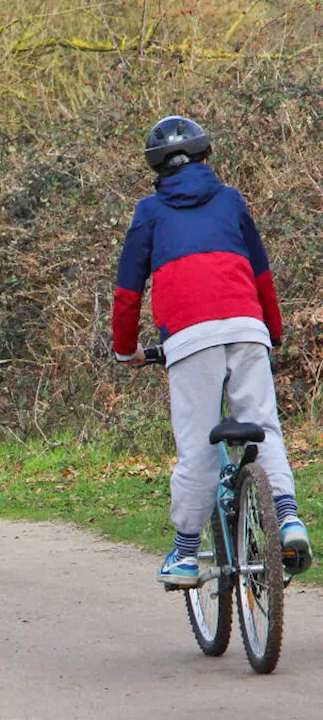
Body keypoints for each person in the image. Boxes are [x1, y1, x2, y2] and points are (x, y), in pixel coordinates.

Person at [113, 116, 311, 586]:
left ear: (157, 170)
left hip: (188, 337)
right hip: (247, 327)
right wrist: (273, 331)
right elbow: (261, 274)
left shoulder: (150, 212)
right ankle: (287, 517)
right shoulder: (231, 201)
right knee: (263, 426)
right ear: (206, 157)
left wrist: (126, 351)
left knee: (198, 443)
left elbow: (127, 293)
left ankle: (184, 554)